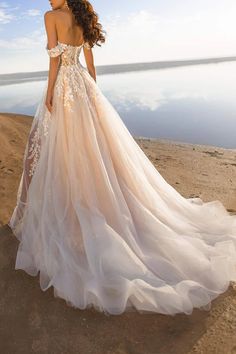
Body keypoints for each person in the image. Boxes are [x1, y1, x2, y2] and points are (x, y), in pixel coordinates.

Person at [8, 0, 236, 317]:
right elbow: (89, 61)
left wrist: (50, 93)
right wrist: (91, 91)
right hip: (85, 85)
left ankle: (67, 208)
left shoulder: (51, 17)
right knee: (90, 149)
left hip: (64, 86)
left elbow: (55, 61)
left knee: (61, 149)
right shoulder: (82, 16)